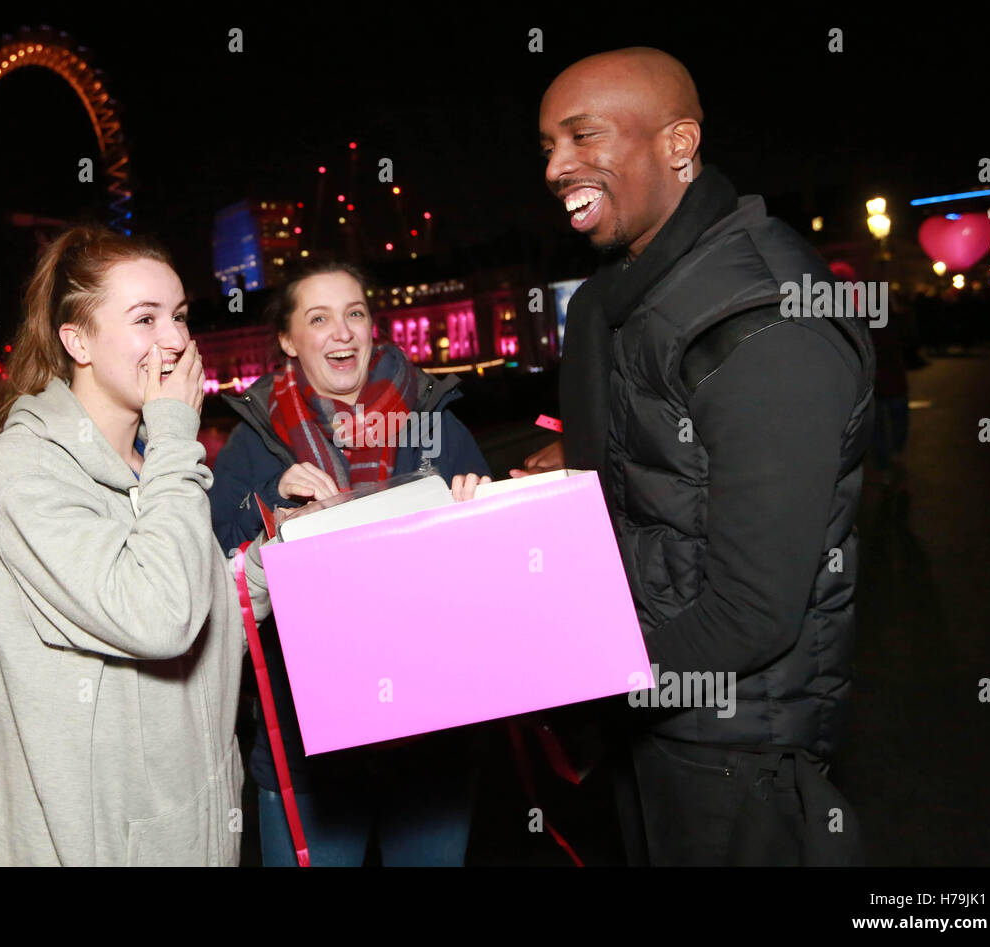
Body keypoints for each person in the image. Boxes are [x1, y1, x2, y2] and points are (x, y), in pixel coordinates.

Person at [537, 48, 873, 865]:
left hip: (737, 749)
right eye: (547, 145)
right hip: (650, 717)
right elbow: (643, 472)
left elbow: (753, 610)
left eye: (584, 137)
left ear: (678, 143)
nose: (558, 167)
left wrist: (576, 671)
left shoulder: (763, 322)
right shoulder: (633, 288)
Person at [0, 225, 271, 866]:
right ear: (76, 340)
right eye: (145, 318)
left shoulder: (150, 463)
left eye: (180, 316)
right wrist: (174, 434)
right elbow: (158, 617)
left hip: (197, 830)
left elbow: (205, 611)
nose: (177, 340)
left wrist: (278, 556)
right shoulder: (20, 473)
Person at [208, 261, 491, 866]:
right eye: (319, 318)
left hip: (432, 739)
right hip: (309, 757)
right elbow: (211, 576)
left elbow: (494, 577)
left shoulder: (435, 421)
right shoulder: (255, 443)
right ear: (288, 340)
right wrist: (272, 503)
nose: (343, 332)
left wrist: (478, 512)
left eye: (355, 314)